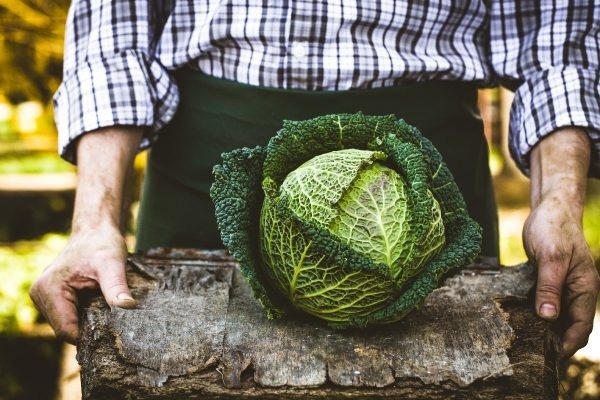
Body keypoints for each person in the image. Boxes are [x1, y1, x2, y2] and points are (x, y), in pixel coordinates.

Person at [30, 1, 599, 358]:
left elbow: (557, 40)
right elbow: (113, 37)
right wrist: (93, 222)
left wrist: (559, 202)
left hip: (430, 176)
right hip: (203, 174)